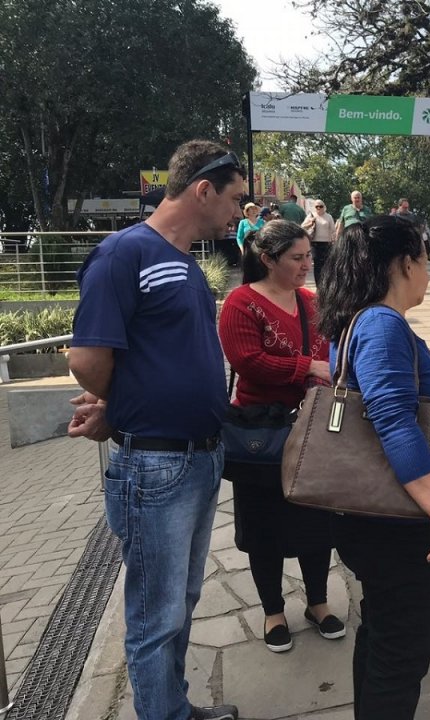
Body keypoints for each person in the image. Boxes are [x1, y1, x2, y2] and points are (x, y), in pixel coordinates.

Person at [67, 139, 245, 720]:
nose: (239, 213)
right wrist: (120, 408)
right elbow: (88, 359)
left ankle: (173, 707)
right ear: (203, 190)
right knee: (155, 615)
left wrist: (121, 404)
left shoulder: (186, 258)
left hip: (198, 458)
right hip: (156, 467)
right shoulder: (124, 254)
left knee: (181, 603)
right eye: (235, 199)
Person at [314, 215, 430, 720]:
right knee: (403, 651)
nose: (427, 269)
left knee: (383, 635)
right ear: (405, 263)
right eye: (424, 258)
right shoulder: (381, 323)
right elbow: (394, 422)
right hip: (398, 524)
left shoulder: (362, 319)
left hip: (381, 521)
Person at [217, 220, 345, 654]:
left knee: (314, 519)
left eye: (309, 256)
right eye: (298, 258)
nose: (308, 265)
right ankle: (273, 610)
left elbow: (328, 354)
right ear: (268, 260)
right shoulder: (241, 303)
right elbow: (247, 360)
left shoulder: (310, 302)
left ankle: (318, 603)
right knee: (263, 526)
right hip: (261, 434)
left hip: (309, 425)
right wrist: (306, 368)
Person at [302, 199, 335, 287]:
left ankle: (326, 284)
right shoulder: (311, 215)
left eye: (321, 206)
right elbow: (302, 226)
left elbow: (333, 230)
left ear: (324, 206)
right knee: (317, 264)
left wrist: (333, 240)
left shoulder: (328, 216)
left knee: (326, 264)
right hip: (315, 243)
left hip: (326, 244)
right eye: (317, 206)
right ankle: (318, 285)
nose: (319, 208)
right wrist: (310, 222)